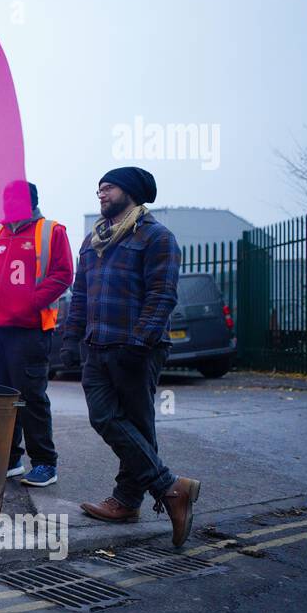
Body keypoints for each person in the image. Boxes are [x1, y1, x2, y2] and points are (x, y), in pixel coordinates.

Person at [60, 167, 200, 546]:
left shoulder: (156, 237)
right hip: (96, 347)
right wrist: (72, 340)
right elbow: (82, 295)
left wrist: (139, 343)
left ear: (131, 192)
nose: (101, 194)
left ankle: (127, 500)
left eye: (108, 188)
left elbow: (162, 295)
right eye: (99, 188)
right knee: (105, 418)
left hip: (138, 349)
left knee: (137, 425)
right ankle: (171, 487)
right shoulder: (93, 242)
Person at [0, 182, 73, 486]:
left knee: (30, 397)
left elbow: (64, 274)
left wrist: (30, 302)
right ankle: (10, 459)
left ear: (31, 201)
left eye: (13, 200)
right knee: (1, 397)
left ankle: (45, 463)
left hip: (30, 329)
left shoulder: (50, 231)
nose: (6, 205)